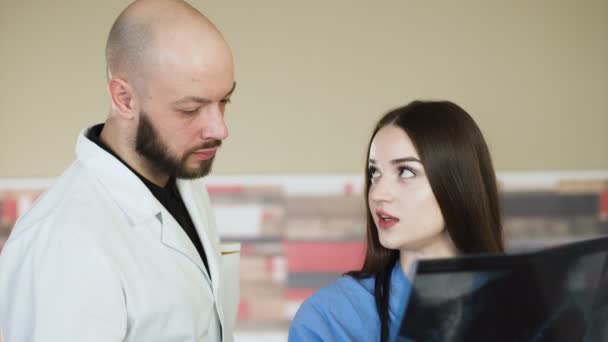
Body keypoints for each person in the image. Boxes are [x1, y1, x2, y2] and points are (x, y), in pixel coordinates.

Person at [0, 1, 240, 341]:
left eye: (224, 101)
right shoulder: (64, 243)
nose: (219, 129)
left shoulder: (181, 177)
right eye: (191, 109)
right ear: (125, 99)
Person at [288, 100, 505, 342]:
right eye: (374, 173)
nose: (378, 193)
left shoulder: (519, 303)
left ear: (459, 184)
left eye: (405, 172)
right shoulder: (326, 317)